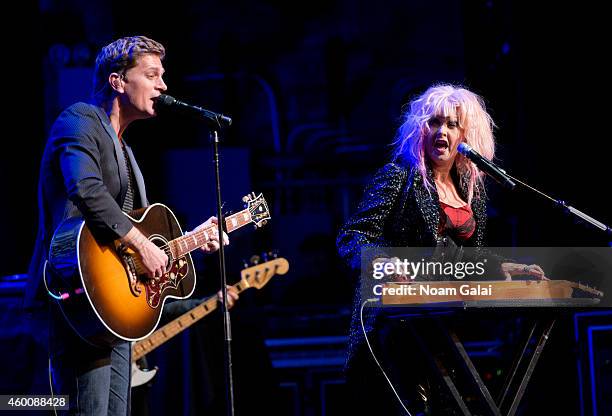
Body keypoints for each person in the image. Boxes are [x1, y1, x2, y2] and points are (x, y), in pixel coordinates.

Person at [24, 35, 233, 415]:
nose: (163, 86)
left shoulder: (126, 149)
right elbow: (84, 188)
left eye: (163, 76)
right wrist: (142, 243)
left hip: (115, 310)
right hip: (77, 297)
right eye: (152, 75)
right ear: (118, 81)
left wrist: (188, 241)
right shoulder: (80, 119)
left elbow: (133, 237)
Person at [336, 84, 546, 414]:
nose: (442, 132)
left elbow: (466, 258)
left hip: (443, 326)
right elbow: (353, 236)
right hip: (394, 329)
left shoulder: (471, 189)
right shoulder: (399, 178)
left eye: (452, 124)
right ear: (420, 129)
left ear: (466, 133)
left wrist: (503, 266)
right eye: (434, 122)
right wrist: (385, 264)